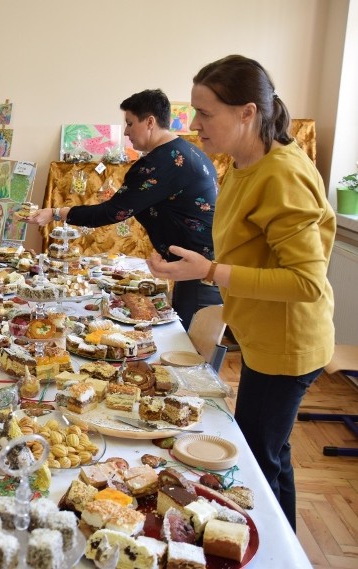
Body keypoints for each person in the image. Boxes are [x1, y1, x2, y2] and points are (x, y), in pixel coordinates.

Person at [146, 55, 335, 530]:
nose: (193, 124)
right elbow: (247, 255)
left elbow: (306, 282)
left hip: (287, 344)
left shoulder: (282, 173)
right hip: (261, 336)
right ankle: (283, 547)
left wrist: (211, 270)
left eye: (205, 113)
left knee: (255, 462)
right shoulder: (244, 162)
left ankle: (264, 547)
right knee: (273, 451)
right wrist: (198, 268)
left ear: (247, 112)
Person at [28, 89, 221, 329]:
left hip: (199, 273)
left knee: (188, 349)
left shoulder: (159, 163)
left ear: (150, 121)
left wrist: (56, 213)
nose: (127, 131)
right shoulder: (189, 151)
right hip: (203, 267)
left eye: (130, 123)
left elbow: (111, 212)